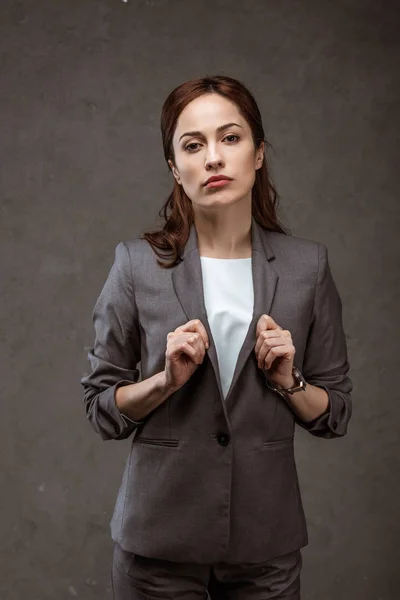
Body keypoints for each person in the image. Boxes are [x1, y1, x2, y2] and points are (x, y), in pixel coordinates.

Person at [80, 74, 353, 599]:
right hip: (157, 546)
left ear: (257, 154)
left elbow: (335, 411)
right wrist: (164, 381)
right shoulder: (136, 265)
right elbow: (100, 407)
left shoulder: (308, 267)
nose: (213, 158)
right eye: (193, 145)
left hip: (264, 547)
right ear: (174, 169)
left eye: (230, 138)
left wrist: (288, 382)